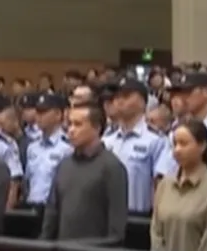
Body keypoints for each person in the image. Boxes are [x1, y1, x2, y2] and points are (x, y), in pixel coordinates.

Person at [39, 103, 129, 242]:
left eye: (78, 124)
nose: (71, 130)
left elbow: (116, 233)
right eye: (69, 124)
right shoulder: (64, 165)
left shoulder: (112, 167)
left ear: (97, 128)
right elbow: (51, 216)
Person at [150, 120, 207, 251]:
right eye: (175, 144)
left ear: (202, 146)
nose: (177, 150)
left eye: (183, 144)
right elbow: (156, 233)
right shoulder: (165, 185)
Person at [103, 78, 167, 214]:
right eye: (116, 97)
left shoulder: (156, 141)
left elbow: (161, 186)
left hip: (139, 216)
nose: (119, 101)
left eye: (126, 96)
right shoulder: (106, 141)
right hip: (107, 216)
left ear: (142, 102)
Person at [22, 93, 70, 210]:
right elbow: (27, 181)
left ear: (58, 114)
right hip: (31, 205)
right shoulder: (32, 147)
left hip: (54, 208)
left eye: (43, 112)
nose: (38, 117)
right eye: (37, 112)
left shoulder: (67, 148)